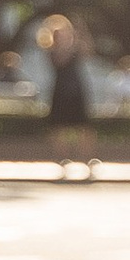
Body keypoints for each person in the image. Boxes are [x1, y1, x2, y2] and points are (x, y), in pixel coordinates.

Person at [40, 15, 96, 179]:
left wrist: (82, 34)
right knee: (59, 128)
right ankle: (62, 160)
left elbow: (89, 52)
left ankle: (87, 161)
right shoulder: (52, 50)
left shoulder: (76, 48)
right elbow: (61, 61)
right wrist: (69, 44)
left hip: (76, 89)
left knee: (85, 128)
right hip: (61, 90)